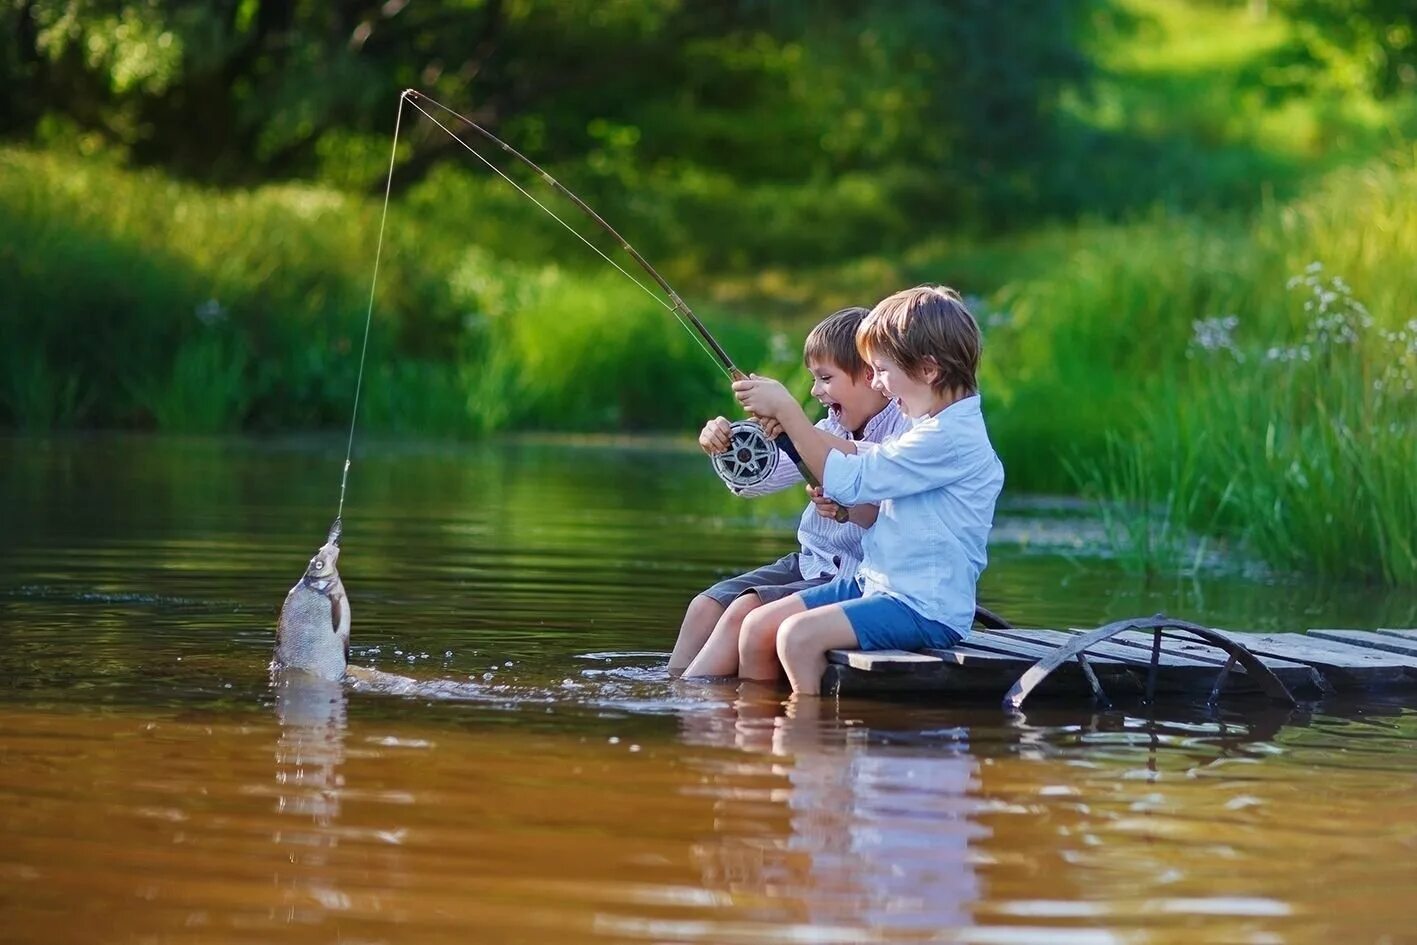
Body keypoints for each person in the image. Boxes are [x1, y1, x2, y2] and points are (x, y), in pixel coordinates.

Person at [731, 285, 1004, 695]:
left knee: (797, 637)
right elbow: (868, 472)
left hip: (921, 607)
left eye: (882, 370)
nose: (877, 383)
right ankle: (757, 734)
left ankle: (808, 744)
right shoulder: (928, 425)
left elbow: (854, 479)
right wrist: (798, 435)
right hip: (874, 583)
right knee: (757, 625)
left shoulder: (949, 437)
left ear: (928, 370)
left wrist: (789, 411)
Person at [668, 306, 910, 678]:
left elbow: (872, 464)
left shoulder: (904, 428)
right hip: (810, 563)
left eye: (825, 378)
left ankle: (691, 706)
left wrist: (793, 421)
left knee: (741, 613)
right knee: (704, 606)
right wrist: (728, 444)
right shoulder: (829, 424)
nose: (815, 391)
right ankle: (672, 690)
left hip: (856, 577)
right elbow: (758, 481)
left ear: (868, 374)